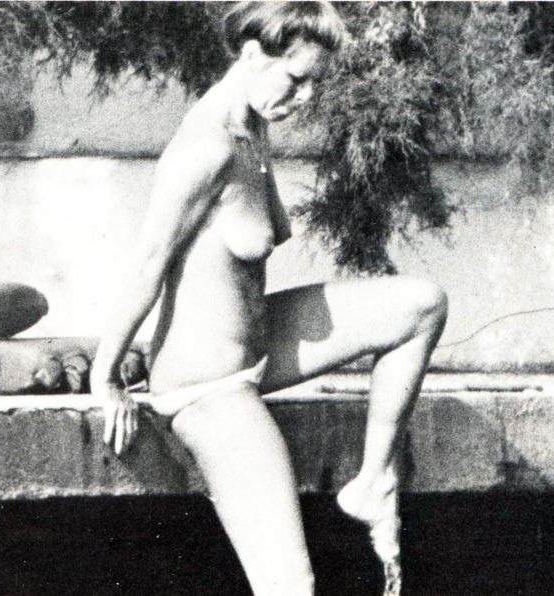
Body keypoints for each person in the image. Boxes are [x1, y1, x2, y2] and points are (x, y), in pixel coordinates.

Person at [90, 3, 448, 595]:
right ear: (253, 54)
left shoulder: (254, 127)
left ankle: (374, 483)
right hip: (208, 386)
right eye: (297, 79)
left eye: (315, 83)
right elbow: (148, 261)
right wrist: (105, 377)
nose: (306, 97)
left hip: (258, 349)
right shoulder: (205, 148)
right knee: (289, 586)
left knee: (421, 305)